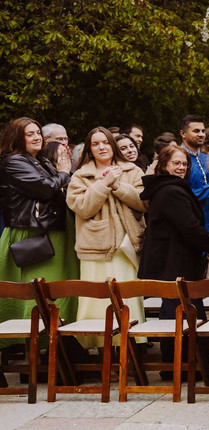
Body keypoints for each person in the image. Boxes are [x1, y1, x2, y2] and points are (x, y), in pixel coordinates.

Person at [0, 118, 78, 347]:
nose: (37, 137)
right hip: (35, 235)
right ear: (16, 138)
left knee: (60, 292)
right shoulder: (13, 162)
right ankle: (37, 353)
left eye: (38, 133)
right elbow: (45, 188)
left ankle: (61, 349)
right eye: (29, 134)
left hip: (54, 231)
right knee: (41, 294)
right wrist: (64, 172)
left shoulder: (39, 160)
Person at [67, 127, 147, 348]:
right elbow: (81, 207)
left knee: (127, 298)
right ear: (89, 149)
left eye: (106, 142)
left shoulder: (132, 171)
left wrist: (118, 185)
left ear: (113, 145)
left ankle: (131, 350)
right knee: (96, 302)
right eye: (95, 144)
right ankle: (101, 352)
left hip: (127, 247)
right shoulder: (80, 176)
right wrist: (103, 184)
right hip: (95, 249)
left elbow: (144, 202)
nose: (101, 147)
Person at [139, 144, 209, 368]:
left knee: (176, 311)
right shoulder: (171, 191)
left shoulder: (170, 187)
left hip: (173, 262)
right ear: (164, 165)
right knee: (185, 313)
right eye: (176, 163)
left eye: (184, 163)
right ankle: (184, 366)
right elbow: (190, 228)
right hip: (176, 263)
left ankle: (178, 366)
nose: (181, 167)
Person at [178, 115, 209, 240]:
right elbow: (180, 196)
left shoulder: (207, 159)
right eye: (196, 131)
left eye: (203, 131)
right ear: (183, 134)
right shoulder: (177, 158)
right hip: (191, 224)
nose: (201, 134)